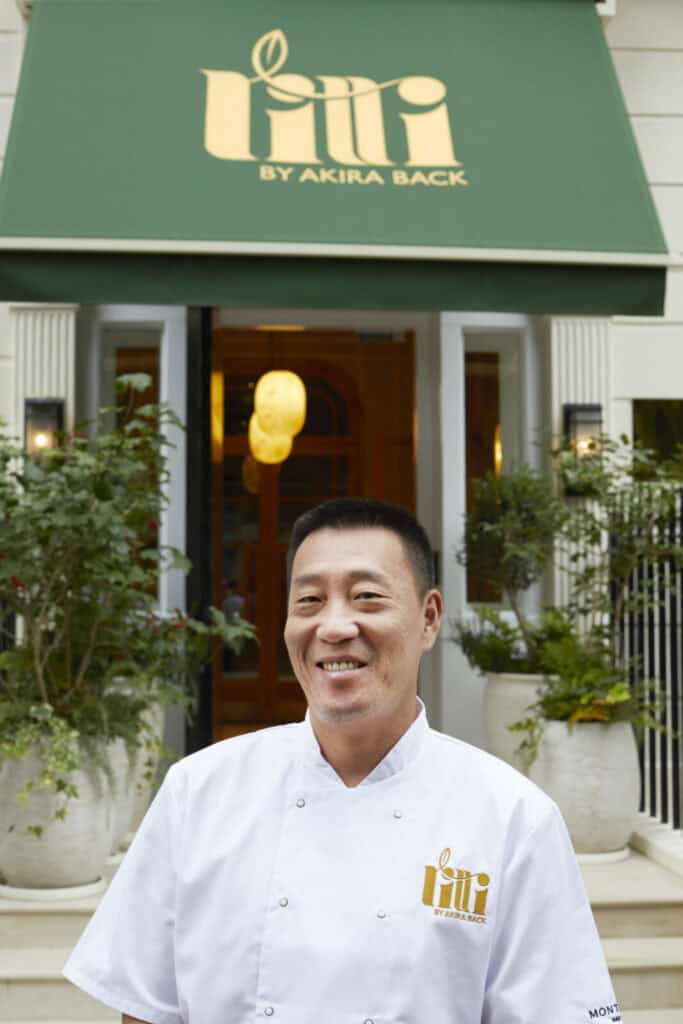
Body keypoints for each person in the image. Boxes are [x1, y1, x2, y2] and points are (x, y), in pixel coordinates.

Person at [63, 497, 620, 1024]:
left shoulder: (513, 819)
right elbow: (145, 1006)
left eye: (367, 596)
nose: (332, 627)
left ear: (429, 618)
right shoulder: (199, 791)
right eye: (309, 600)